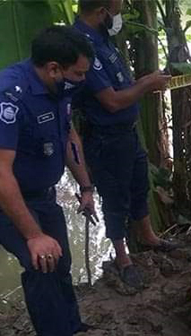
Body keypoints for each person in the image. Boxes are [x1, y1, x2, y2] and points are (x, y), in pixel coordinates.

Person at [0, 26, 96, 336]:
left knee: (62, 261)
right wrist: (34, 235)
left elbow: (68, 136)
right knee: (42, 265)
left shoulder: (59, 89)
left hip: (40, 195)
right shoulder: (6, 96)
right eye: (78, 73)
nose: (82, 80)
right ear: (54, 68)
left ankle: (71, 324)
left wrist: (85, 187)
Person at [73, 0, 176, 288]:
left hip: (127, 133)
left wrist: (142, 81)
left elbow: (120, 86)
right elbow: (112, 101)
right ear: (101, 12)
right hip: (106, 138)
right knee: (116, 199)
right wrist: (147, 84)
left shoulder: (103, 38)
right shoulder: (82, 47)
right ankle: (123, 258)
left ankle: (148, 236)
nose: (117, 17)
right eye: (115, 12)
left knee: (138, 185)